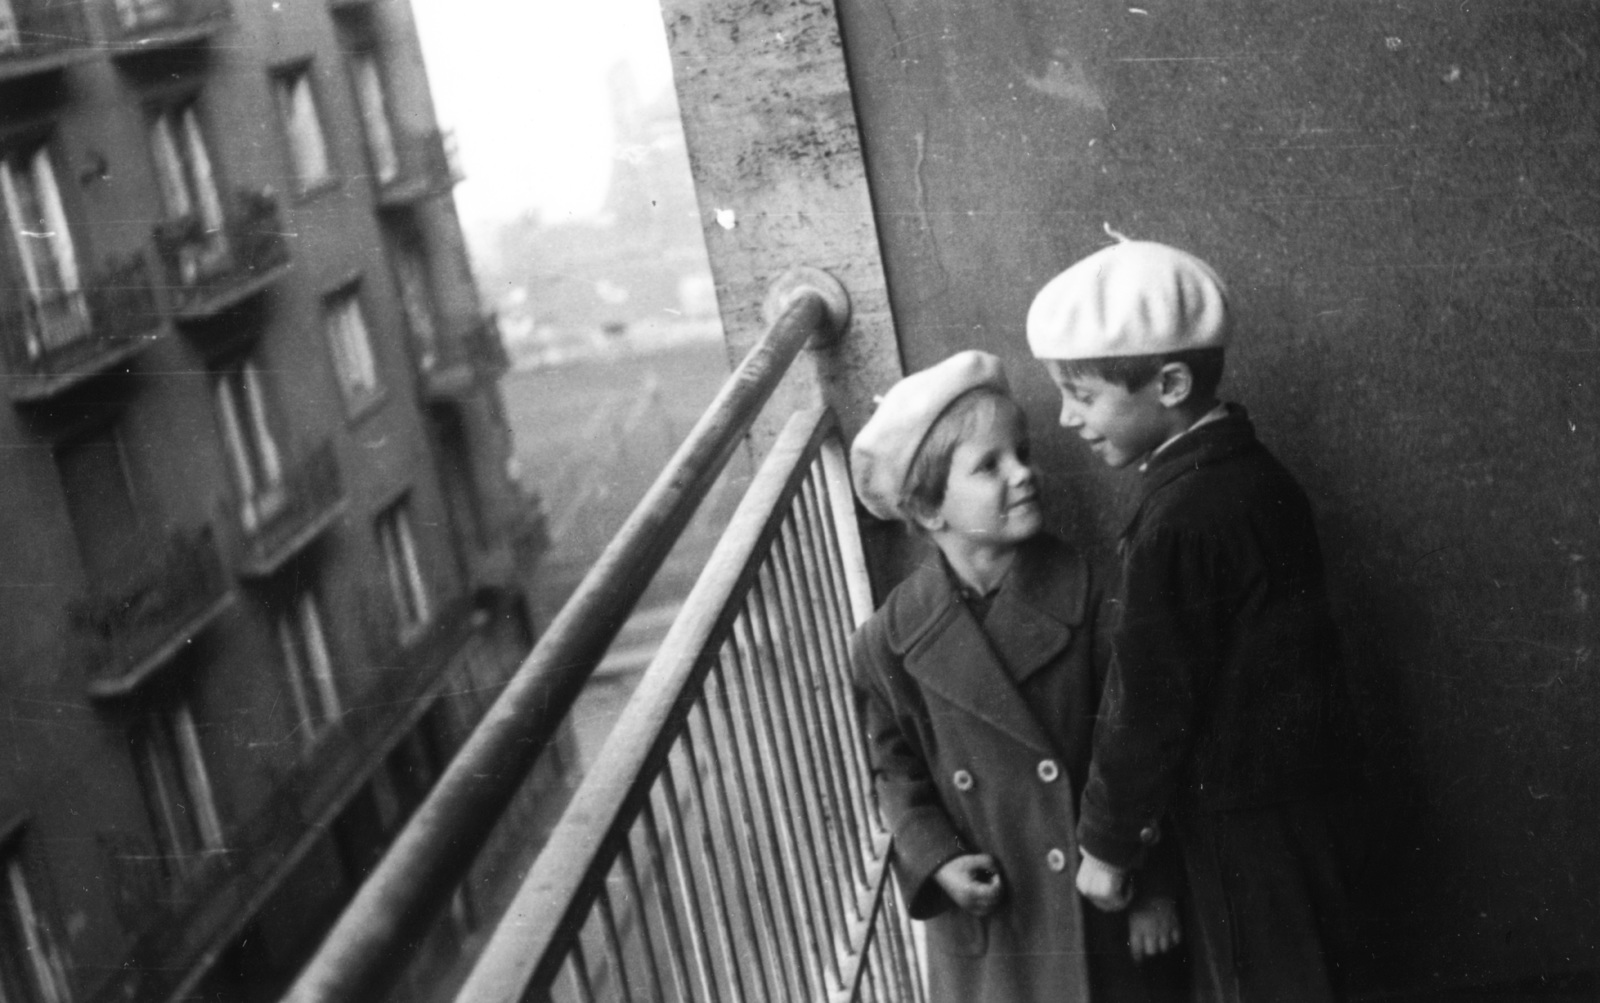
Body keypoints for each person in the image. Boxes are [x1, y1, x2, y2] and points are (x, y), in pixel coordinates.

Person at [1026, 239, 1354, 1001]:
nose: (1069, 418)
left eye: (1083, 394)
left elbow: (1147, 700)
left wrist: (1106, 843)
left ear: (1170, 382)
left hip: (1245, 824)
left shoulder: (1180, 520)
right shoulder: (1252, 476)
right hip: (1298, 809)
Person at [849, 350, 1185, 1003]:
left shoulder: (1094, 596)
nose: (1024, 474)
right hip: (997, 926)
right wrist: (937, 857)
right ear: (927, 509)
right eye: (989, 466)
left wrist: (1158, 887)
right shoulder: (886, 642)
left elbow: (1146, 749)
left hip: (1103, 903)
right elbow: (896, 773)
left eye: (1022, 453)